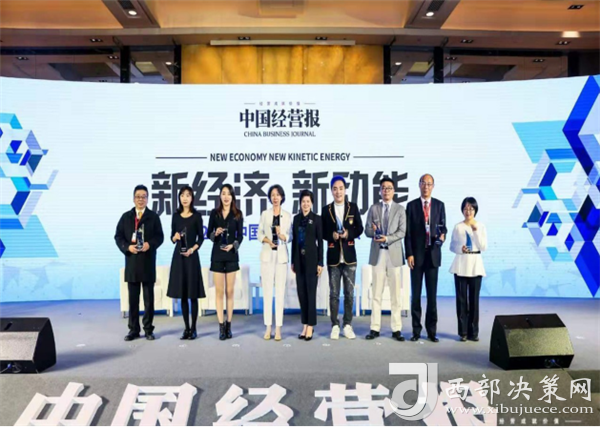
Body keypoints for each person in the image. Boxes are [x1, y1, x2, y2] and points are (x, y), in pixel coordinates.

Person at [115, 184, 164, 341]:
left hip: (147, 262)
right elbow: (118, 237)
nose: (141, 199)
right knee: (133, 300)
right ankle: (133, 330)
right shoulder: (126, 217)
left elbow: (160, 237)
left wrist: (150, 244)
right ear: (133, 199)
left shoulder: (153, 217)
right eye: (138, 197)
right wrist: (127, 247)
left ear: (147, 199)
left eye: (143, 197)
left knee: (149, 300)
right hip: (132, 262)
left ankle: (148, 329)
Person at [405, 174, 447, 343]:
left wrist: (442, 236)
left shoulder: (439, 205)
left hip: (433, 255)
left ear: (433, 186)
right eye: (423, 183)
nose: (426, 186)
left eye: (429, 184)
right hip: (416, 256)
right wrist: (409, 254)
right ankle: (416, 330)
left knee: (432, 296)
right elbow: (407, 233)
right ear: (419, 185)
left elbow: (443, 228)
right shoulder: (411, 206)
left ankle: (431, 331)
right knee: (416, 296)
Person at [364, 177, 407, 341]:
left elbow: (402, 232)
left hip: (394, 254)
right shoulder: (374, 208)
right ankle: (375, 328)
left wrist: (387, 238)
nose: (386, 191)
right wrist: (373, 231)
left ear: (393, 191)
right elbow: (367, 230)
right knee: (377, 292)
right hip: (378, 253)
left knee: (395, 294)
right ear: (380, 191)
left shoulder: (400, 209)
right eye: (383, 188)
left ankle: (396, 329)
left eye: (389, 188)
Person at [321, 175, 364, 340]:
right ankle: (334, 325)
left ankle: (347, 324)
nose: (338, 192)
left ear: (345, 190)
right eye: (335, 189)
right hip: (333, 257)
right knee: (333, 293)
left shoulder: (353, 207)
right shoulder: (326, 210)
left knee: (349, 293)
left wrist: (348, 234)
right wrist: (331, 235)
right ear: (331, 191)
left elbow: (359, 228)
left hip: (349, 257)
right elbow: (322, 232)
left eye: (341, 188)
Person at [167, 185, 205, 340]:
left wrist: (192, 249)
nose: (185, 198)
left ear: (192, 198)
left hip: (192, 258)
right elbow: (172, 237)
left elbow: (201, 238)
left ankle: (194, 328)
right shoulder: (175, 216)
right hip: (179, 258)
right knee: (182, 294)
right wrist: (174, 237)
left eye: (188, 195)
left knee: (192, 294)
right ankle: (186, 328)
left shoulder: (197, 216)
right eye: (182, 195)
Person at [207, 184, 244, 340]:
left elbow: (240, 236)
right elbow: (208, 235)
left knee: (230, 291)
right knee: (219, 291)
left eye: (229, 193)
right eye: (223, 193)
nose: (226, 196)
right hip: (217, 255)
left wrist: (233, 245)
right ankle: (221, 327)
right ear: (220, 196)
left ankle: (229, 325)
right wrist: (215, 233)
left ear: (232, 196)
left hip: (231, 256)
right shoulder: (214, 213)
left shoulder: (237, 214)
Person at [449, 197, 487, 342]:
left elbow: (483, 246)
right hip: (461, 264)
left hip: (475, 265)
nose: (468, 211)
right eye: (465, 209)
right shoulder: (458, 227)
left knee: (474, 300)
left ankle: (474, 332)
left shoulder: (481, 226)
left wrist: (475, 232)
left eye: (471, 209)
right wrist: (461, 248)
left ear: (475, 210)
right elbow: (452, 246)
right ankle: (463, 332)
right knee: (461, 300)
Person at [258, 185, 292, 341]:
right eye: (273, 195)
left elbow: (290, 236)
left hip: (281, 257)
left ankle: (278, 328)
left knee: (279, 293)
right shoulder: (265, 214)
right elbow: (259, 233)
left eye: (278, 195)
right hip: (267, 255)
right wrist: (267, 240)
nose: (275, 197)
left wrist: (283, 236)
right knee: (267, 293)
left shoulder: (287, 215)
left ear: (282, 197)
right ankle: (268, 327)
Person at [291, 190, 323, 341]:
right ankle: (304, 324)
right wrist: (293, 261)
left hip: (312, 261)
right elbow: (294, 241)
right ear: (300, 203)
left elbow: (320, 242)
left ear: (312, 203)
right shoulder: (296, 219)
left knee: (311, 293)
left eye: (308, 201)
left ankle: (310, 326)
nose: (305, 204)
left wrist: (320, 262)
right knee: (302, 294)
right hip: (299, 261)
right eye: (303, 201)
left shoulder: (316, 219)